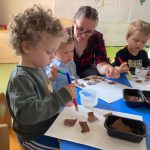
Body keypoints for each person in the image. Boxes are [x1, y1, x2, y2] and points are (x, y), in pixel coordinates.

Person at [6, 5, 76, 150]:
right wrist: (61, 97)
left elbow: (40, 91)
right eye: (50, 51)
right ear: (27, 47)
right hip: (34, 135)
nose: (53, 57)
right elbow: (27, 114)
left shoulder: (37, 67)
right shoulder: (20, 78)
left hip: (48, 124)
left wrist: (50, 79)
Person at [67, 6, 120, 78]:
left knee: (94, 73)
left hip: (86, 72)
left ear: (94, 28)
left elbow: (101, 62)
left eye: (89, 31)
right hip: (66, 72)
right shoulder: (63, 35)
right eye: (80, 29)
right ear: (74, 22)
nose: (83, 34)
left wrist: (108, 69)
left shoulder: (96, 37)